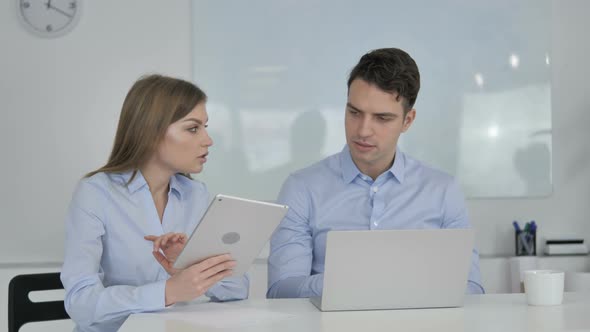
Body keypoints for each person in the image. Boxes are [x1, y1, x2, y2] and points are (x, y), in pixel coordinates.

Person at [267, 48, 484, 298]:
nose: (363, 130)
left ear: (407, 121)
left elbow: (472, 289)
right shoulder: (301, 188)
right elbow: (281, 291)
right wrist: (352, 282)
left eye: (382, 118)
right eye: (354, 112)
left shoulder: (443, 191)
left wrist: (385, 285)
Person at [61, 74, 249, 332]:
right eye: (193, 128)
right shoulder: (95, 193)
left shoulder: (197, 194)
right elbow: (80, 304)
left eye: (205, 127)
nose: (208, 140)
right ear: (151, 132)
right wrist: (167, 291)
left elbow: (237, 290)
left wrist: (187, 263)